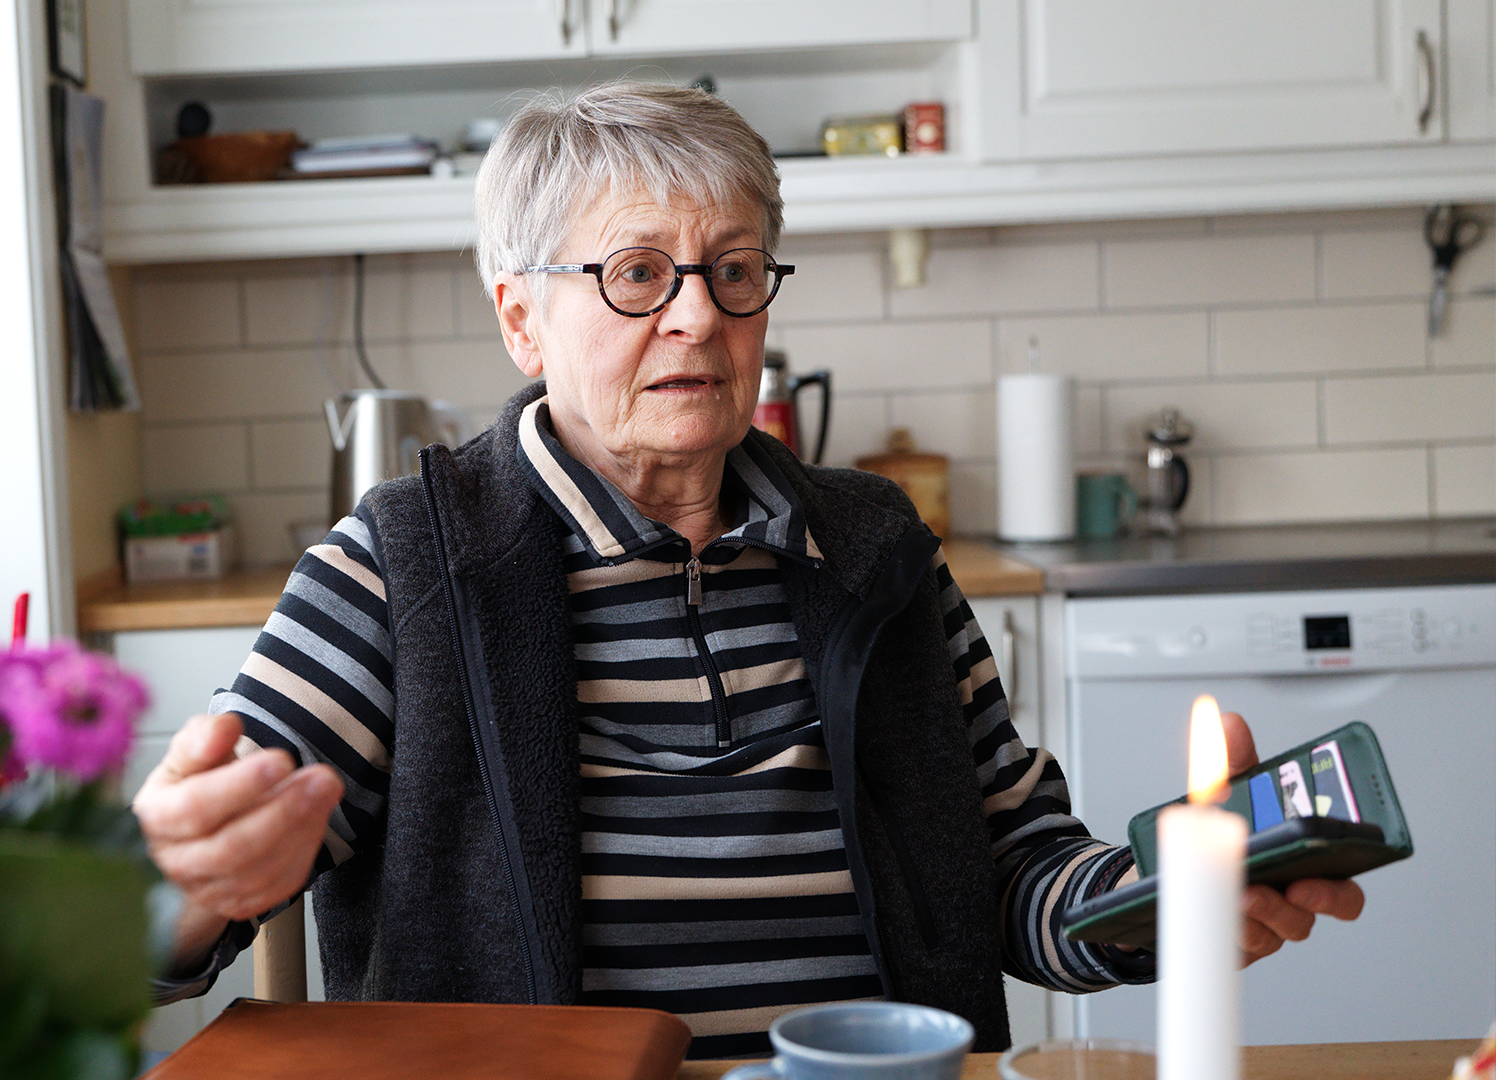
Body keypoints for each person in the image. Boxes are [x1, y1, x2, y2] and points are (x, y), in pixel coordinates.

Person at [131, 81, 1364, 1057]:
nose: (697, 319)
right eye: (634, 275)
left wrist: (1167, 901)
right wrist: (185, 883)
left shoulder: (872, 546)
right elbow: (163, 934)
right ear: (521, 318)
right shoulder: (404, 567)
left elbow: (1013, 873)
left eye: (731, 270)